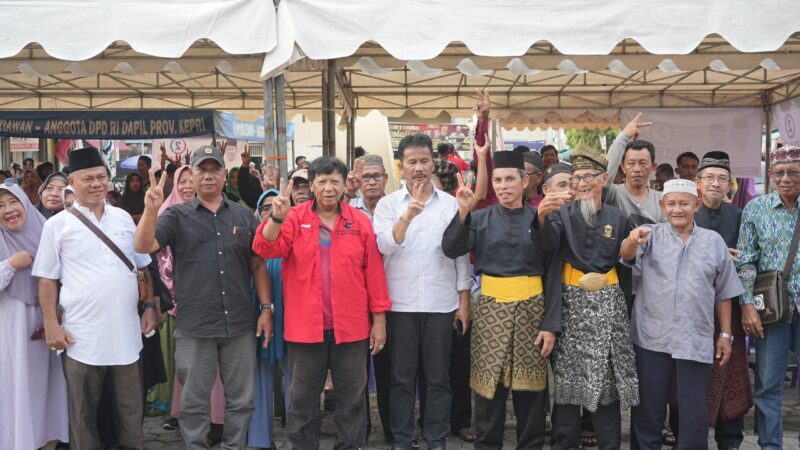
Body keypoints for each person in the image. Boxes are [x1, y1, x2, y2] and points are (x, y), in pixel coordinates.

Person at [134, 145, 272, 449]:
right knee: (194, 403)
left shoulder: (243, 215)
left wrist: (265, 308)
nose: (208, 176)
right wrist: (150, 210)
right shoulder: (176, 215)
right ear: (191, 176)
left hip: (238, 324)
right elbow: (144, 246)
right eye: (201, 170)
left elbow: (258, 263)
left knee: (242, 400)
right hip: (195, 327)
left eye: (215, 170)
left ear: (225, 175)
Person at [253, 156, 392, 450]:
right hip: (306, 329)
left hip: (352, 329)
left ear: (345, 185)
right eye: (322, 181)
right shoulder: (294, 217)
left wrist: (378, 320)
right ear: (312, 185)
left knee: (352, 399)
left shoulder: (359, 222)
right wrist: (276, 217)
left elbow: (374, 274)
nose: (328, 188)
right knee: (302, 400)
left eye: (335, 182)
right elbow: (265, 247)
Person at [33, 147, 158, 450]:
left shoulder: (124, 219)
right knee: (81, 412)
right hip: (81, 335)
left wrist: (151, 306)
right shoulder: (56, 225)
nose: (96, 183)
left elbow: (142, 268)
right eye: (87, 178)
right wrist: (51, 323)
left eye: (101, 177)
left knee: (131, 409)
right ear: (72, 184)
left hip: (126, 331)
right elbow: (47, 279)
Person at [442, 151, 561, 450]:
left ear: (525, 181)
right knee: (488, 392)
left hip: (532, 309)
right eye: (497, 180)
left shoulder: (541, 214)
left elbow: (551, 256)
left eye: (510, 179)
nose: (503, 186)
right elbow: (451, 247)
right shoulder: (479, 217)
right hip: (491, 310)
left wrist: (550, 323)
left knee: (531, 395)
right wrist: (463, 212)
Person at [620, 179, 743, 450]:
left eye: (684, 203)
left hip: (694, 336)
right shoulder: (649, 234)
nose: (678, 209)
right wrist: (630, 240)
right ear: (663, 206)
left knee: (693, 410)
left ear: (696, 205)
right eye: (672, 203)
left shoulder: (714, 242)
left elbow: (723, 293)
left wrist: (725, 334)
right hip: (652, 336)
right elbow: (627, 256)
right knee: (648, 408)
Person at [534, 144, 639, 450]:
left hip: (608, 309)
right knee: (567, 387)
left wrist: (633, 243)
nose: (580, 183)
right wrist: (540, 217)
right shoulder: (560, 215)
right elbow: (547, 245)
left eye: (587, 177)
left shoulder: (619, 218)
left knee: (606, 388)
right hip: (570, 308)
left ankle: (609, 444)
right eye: (576, 177)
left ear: (603, 178)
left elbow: (628, 262)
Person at [374, 134, 472, 450]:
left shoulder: (450, 205)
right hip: (399, 305)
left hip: (441, 304)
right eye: (412, 162)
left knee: (438, 378)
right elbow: (384, 246)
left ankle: (436, 437)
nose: (418, 168)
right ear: (401, 167)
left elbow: (460, 255)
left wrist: (464, 301)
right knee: (401, 378)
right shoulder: (388, 205)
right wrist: (409, 215)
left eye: (424, 161)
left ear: (433, 163)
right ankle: (402, 438)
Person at [737, 145, 800, 449]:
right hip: (772, 310)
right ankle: (771, 446)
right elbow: (746, 261)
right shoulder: (756, 208)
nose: (786, 178)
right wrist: (747, 303)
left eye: (794, 171)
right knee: (768, 384)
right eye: (779, 172)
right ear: (771, 175)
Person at [691, 151, 754, 449]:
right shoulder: (687, 214)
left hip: (731, 311)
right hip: (693, 313)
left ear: (730, 185)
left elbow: (751, 258)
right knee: (690, 380)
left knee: (730, 376)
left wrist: (735, 260)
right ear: (698, 182)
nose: (715, 184)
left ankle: (730, 441)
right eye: (709, 178)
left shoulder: (740, 216)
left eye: (722, 179)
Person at [0, 181, 69, 449]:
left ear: (26, 203)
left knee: (45, 389)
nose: (9, 210)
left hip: (47, 324)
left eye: (13, 202)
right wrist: (9, 265)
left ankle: (46, 443)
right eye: (1, 206)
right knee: (15, 388)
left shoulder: (45, 232)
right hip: (10, 330)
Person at [248, 189, 290, 450]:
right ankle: (261, 439)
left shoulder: (295, 236)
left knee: (295, 376)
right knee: (260, 374)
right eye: (265, 207)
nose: (270, 211)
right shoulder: (252, 238)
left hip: (292, 312)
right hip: (259, 309)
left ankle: (298, 437)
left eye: (275, 206)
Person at [346, 154, 388, 219]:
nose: (372, 182)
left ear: (385, 178)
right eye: (366, 177)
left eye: (377, 176)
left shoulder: (396, 205)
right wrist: (349, 192)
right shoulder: (349, 206)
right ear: (357, 180)